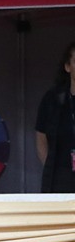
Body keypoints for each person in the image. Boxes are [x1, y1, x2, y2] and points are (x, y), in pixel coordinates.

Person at [34, 41, 75, 192]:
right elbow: (41, 137)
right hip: (60, 176)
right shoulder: (53, 99)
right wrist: (51, 167)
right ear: (67, 67)